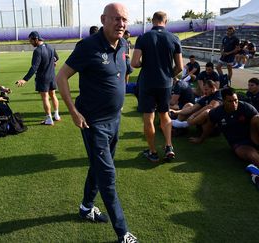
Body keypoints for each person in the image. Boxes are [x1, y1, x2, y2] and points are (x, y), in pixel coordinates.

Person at [54, 3, 138, 243]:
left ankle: (86, 207)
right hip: (94, 124)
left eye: (124, 19)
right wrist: (73, 111)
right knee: (108, 175)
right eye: (116, 19)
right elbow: (61, 77)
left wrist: (119, 98)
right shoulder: (88, 46)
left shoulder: (123, 44)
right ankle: (123, 233)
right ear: (103, 19)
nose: (121, 24)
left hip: (115, 120)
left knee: (99, 166)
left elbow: (126, 71)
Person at [131, 11, 183, 163]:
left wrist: (145, 64)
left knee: (148, 117)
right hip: (165, 83)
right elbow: (180, 67)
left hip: (147, 82)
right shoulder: (174, 38)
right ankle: (168, 146)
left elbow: (134, 63)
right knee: (164, 114)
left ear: (152, 21)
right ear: (165, 21)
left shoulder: (143, 37)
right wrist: (169, 75)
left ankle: (153, 152)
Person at [15, 31, 60, 125]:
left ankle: (49, 119)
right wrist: (53, 62)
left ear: (36, 39)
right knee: (53, 95)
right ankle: (56, 115)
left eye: (31, 41)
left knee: (45, 98)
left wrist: (25, 79)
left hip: (43, 78)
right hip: (52, 76)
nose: (30, 43)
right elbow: (57, 58)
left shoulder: (37, 51)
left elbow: (34, 67)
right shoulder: (50, 47)